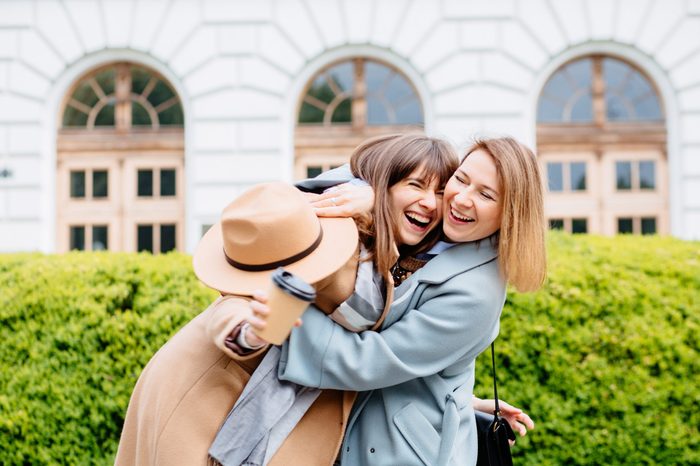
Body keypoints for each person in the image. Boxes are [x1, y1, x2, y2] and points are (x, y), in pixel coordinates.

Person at [245, 136, 547, 466]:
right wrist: (369, 188)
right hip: (372, 424)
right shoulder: (439, 231)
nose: (461, 199)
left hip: (403, 452)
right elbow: (387, 169)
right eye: (460, 179)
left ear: (510, 214)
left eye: (485, 195)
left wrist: (285, 316)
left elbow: (370, 361)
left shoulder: (477, 294)